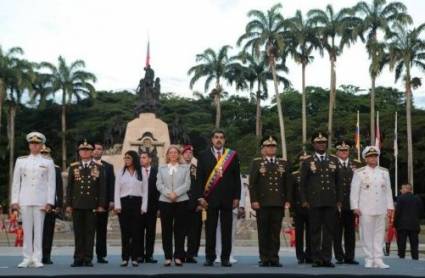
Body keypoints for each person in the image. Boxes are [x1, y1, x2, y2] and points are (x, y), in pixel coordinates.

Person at [196, 129, 241, 267]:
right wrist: (200, 197)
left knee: (226, 230)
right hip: (210, 198)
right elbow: (200, 178)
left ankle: (225, 258)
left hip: (228, 198)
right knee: (210, 229)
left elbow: (236, 178)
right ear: (212, 140)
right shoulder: (203, 155)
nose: (219, 140)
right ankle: (210, 257)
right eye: (216, 137)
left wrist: (237, 197)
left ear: (224, 140)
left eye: (221, 137)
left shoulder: (232, 155)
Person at [11, 132, 56, 268]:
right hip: (24, 199)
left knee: (38, 230)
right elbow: (16, 182)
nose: (34, 146)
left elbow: (51, 183)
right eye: (32, 144)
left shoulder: (48, 162)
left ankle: (37, 258)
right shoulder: (21, 160)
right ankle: (26, 258)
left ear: (42, 145)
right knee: (27, 229)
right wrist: (14, 200)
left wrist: (49, 201)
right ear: (29, 145)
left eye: (37, 144)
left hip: (40, 200)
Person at [248, 135, 292, 267]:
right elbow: (253, 184)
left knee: (275, 231)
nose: (271, 149)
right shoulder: (257, 163)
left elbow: (288, 184)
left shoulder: (283, 163)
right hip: (262, 203)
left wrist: (288, 200)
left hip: (278, 202)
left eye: (273, 146)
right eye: (268, 146)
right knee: (263, 231)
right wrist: (254, 200)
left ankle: (274, 258)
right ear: (263, 149)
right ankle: (264, 257)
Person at [300, 132, 341, 268]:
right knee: (315, 231)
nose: (321, 144)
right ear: (313, 144)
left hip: (330, 201)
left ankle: (327, 258)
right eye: (318, 142)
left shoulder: (334, 160)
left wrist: (339, 200)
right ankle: (316, 258)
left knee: (329, 231)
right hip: (314, 201)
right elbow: (303, 184)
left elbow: (338, 182)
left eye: (323, 142)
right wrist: (304, 200)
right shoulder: (307, 161)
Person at [350, 146, 394, 269]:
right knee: (366, 234)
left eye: (375, 156)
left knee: (379, 234)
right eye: (370, 156)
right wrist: (355, 206)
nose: (373, 158)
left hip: (381, 207)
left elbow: (388, 190)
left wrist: (390, 206)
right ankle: (369, 258)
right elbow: (354, 191)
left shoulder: (384, 172)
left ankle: (378, 259)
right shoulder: (359, 172)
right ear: (365, 158)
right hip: (365, 208)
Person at [66, 139, 107, 267]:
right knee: (78, 233)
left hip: (92, 205)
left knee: (90, 233)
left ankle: (88, 258)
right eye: (82, 150)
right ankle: (78, 258)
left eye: (87, 150)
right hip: (77, 204)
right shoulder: (73, 167)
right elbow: (70, 187)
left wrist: (101, 205)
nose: (84, 152)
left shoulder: (98, 167)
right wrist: (68, 204)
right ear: (79, 152)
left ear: (91, 152)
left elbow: (102, 188)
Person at [156, 145, 191, 266]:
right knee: (166, 230)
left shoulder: (185, 168)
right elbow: (159, 184)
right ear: (167, 155)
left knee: (180, 230)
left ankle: (178, 256)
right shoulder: (161, 168)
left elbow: (187, 184)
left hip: (181, 201)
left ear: (179, 154)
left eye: (175, 152)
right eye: (171, 153)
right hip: (165, 202)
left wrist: (176, 193)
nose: (173, 154)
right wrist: (168, 194)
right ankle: (168, 256)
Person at [114, 150, 147, 267]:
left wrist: (144, 206)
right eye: (125, 158)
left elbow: (145, 190)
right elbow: (117, 190)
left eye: (128, 158)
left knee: (136, 232)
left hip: (137, 203)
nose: (126, 160)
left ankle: (135, 258)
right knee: (125, 232)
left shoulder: (142, 171)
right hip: (124, 203)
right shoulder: (120, 172)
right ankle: (125, 257)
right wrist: (117, 206)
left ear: (134, 159)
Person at [333, 141, 360, 265]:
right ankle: (339, 256)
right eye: (341, 151)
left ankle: (350, 256)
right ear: (337, 152)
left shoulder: (357, 164)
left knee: (350, 232)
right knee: (337, 232)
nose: (344, 153)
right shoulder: (332, 164)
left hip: (351, 203)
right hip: (337, 204)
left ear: (349, 152)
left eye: (346, 151)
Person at [215, 174, 247, 264]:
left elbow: (241, 190)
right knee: (218, 231)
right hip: (217, 204)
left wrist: (241, 206)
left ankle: (230, 254)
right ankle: (218, 254)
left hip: (232, 205)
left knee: (231, 232)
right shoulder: (216, 169)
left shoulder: (235, 170)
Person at [41, 145, 64, 265]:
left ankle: (46, 255)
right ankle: (35, 255)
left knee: (48, 231)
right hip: (37, 203)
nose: (44, 155)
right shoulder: (34, 167)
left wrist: (59, 204)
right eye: (42, 153)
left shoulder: (56, 169)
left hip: (51, 204)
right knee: (36, 231)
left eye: (46, 153)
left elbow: (59, 188)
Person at [92, 142, 115, 264]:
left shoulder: (108, 167)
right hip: (88, 204)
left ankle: (101, 255)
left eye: (99, 149)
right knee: (88, 231)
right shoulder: (84, 165)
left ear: (102, 151)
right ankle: (86, 255)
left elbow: (112, 184)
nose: (97, 151)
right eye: (95, 149)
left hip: (103, 203)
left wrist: (112, 200)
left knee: (101, 231)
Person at [182, 145, 203, 264]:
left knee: (194, 231)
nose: (188, 155)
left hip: (195, 204)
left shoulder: (197, 168)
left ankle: (191, 254)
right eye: (186, 153)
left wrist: (201, 202)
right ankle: (180, 253)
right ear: (183, 154)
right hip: (181, 203)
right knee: (181, 231)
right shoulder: (178, 167)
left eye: (190, 153)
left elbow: (202, 185)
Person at [138, 151, 159, 263]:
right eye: (140, 157)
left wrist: (159, 208)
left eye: (144, 157)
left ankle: (149, 255)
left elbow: (159, 190)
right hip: (140, 207)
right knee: (139, 231)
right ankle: (140, 255)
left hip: (152, 207)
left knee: (151, 232)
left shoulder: (157, 172)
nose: (141, 159)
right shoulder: (137, 172)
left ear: (150, 159)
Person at [291, 152, 312, 264]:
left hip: (312, 208)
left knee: (311, 233)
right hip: (298, 209)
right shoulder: (294, 175)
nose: (303, 162)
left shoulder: (314, 174)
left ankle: (310, 254)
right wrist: (291, 210)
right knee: (299, 234)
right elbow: (292, 193)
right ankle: (300, 255)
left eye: (305, 160)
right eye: (301, 160)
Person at [394, 183, 424, 260]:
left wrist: (395, 223)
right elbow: (421, 212)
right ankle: (415, 258)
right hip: (414, 224)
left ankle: (401, 257)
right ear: (411, 189)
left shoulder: (400, 198)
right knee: (414, 244)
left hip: (402, 224)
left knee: (402, 243)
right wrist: (417, 219)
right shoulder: (417, 198)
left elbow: (397, 212)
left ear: (406, 189)